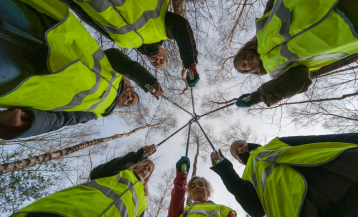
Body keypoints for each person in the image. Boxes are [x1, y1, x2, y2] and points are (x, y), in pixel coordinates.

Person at [0, 0, 164, 140]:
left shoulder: (98, 112)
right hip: (51, 32)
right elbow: (116, 57)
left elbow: (64, 119)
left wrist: (32, 123)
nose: (128, 97)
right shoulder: (115, 73)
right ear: (131, 88)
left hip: (31, 78)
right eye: (132, 95)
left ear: (122, 105)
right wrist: (148, 81)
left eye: (128, 102)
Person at [210, 133, 358, 217]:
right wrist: (225, 171)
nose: (241, 149)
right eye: (237, 152)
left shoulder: (275, 143)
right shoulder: (246, 177)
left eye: (241, 145)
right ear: (240, 161)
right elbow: (256, 211)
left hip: (341, 180)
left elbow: (319, 141)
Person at [0, 144, 157, 217]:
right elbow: (96, 173)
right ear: (137, 165)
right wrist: (138, 156)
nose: (145, 169)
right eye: (144, 165)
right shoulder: (122, 170)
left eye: (149, 169)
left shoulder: (142, 199)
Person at [233, 0, 358, 108]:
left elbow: (273, 3)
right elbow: (299, 81)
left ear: (246, 51)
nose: (246, 61)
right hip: (346, 29)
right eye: (244, 66)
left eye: (243, 58)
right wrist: (257, 96)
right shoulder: (277, 72)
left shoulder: (261, 29)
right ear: (250, 71)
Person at [62, 0, 200, 87]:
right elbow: (180, 26)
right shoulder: (162, 29)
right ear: (164, 52)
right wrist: (191, 65)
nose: (157, 59)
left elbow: (94, 22)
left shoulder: (123, 43)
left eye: (155, 63)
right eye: (162, 60)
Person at [165, 156, 248, 217]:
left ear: (208, 192)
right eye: (193, 187)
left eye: (201, 185)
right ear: (190, 196)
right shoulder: (185, 211)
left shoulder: (222, 209)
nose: (197, 187)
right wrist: (181, 178)